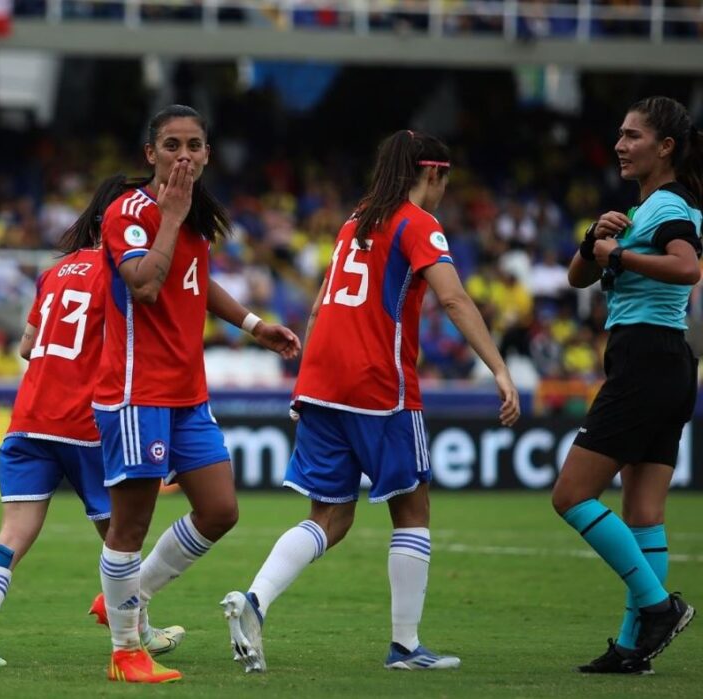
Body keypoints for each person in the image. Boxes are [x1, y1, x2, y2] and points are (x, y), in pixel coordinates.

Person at [221, 129, 520, 673]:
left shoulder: (354, 222)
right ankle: (405, 646)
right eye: (444, 180)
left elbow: (316, 307)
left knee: (330, 515)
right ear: (431, 173)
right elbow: (452, 297)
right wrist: (499, 368)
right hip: (379, 385)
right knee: (412, 507)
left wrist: (310, 371)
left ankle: (255, 601)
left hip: (320, 382)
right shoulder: (417, 224)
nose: (443, 192)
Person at [89, 104, 301, 684]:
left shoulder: (192, 217)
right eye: (172, 145)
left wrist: (255, 324)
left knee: (219, 509)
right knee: (128, 526)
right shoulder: (129, 213)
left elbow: (193, 281)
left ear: (207, 153)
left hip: (186, 393)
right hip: (137, 393)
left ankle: (125, 599)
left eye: (194, 145)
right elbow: (145, 285)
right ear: (150, 155)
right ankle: (126, 652)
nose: (184, 155)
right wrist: (171, 216)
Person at [552, 96, 701, 674]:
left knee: (571, 495)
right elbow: (577, 277)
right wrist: (595, 240)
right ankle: (634, 648)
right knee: (644, 514)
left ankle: (658, 608)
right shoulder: (648, 208)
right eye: (619, 134)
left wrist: (622, 255)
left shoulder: (667, 207)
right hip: (668, 363)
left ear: (665, 148)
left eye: (633, 136)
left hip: (643, 361)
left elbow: (688, 268)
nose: (619, 144)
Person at [0, 200, 111, 668]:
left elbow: (26, 345)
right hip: (84, 423)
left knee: (12, 533)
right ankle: (138, 632)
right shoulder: (122, 274)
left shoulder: (55, 271)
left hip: (29, 418)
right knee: (121, 535)